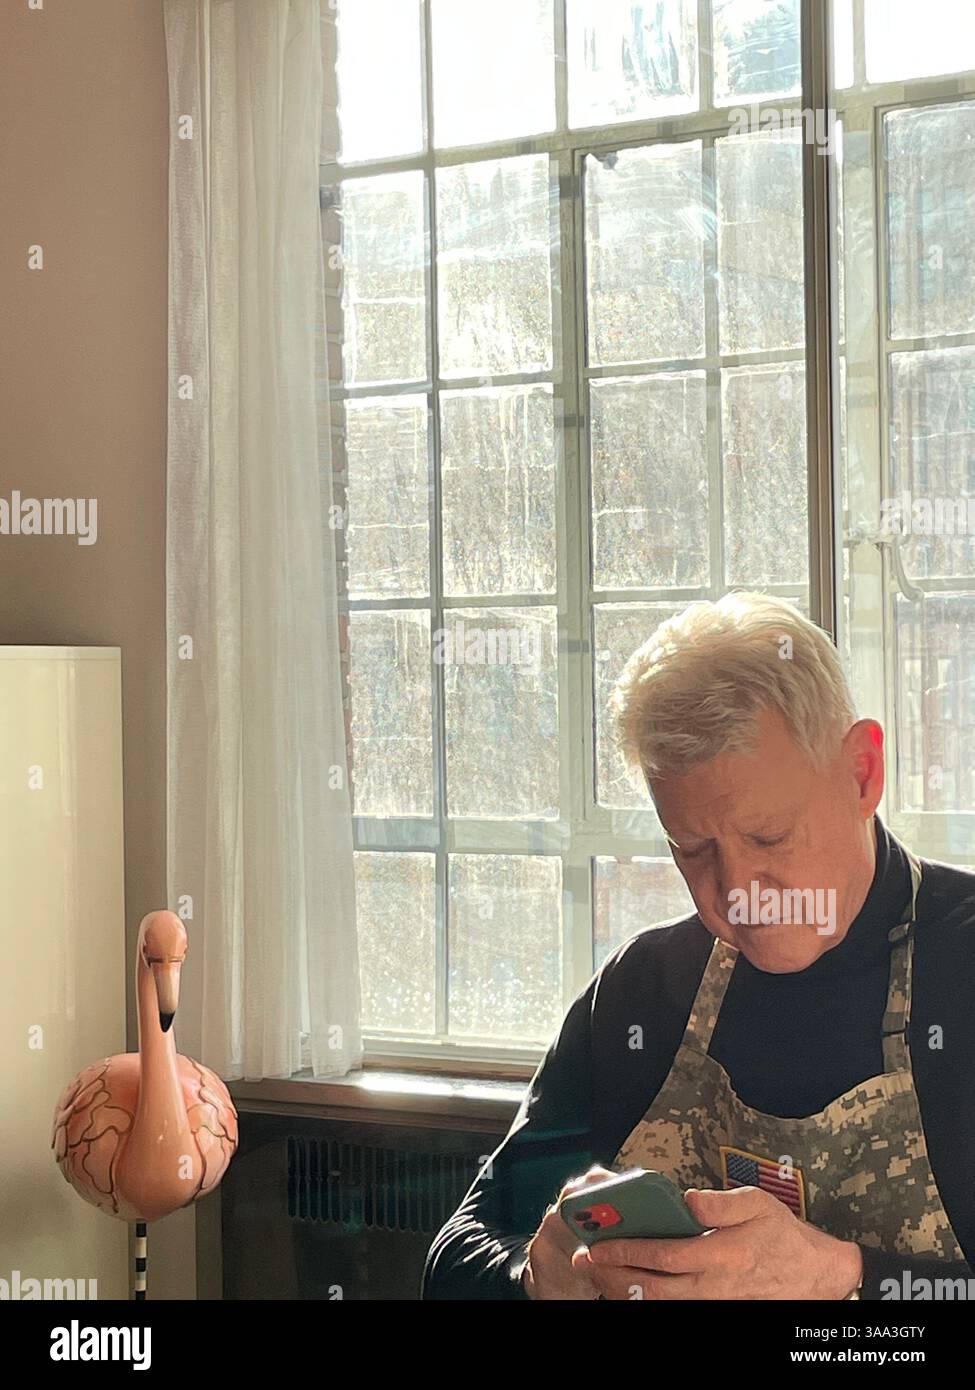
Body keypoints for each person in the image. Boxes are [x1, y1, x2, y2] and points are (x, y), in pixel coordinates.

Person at [422, 591, 975, 1300]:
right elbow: (452, 1257)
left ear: (861, 772)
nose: (738, 888)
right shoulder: (643, 994)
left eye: (768, 836)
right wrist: (531, 1275)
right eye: (693, 850)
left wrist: (844, 1281)